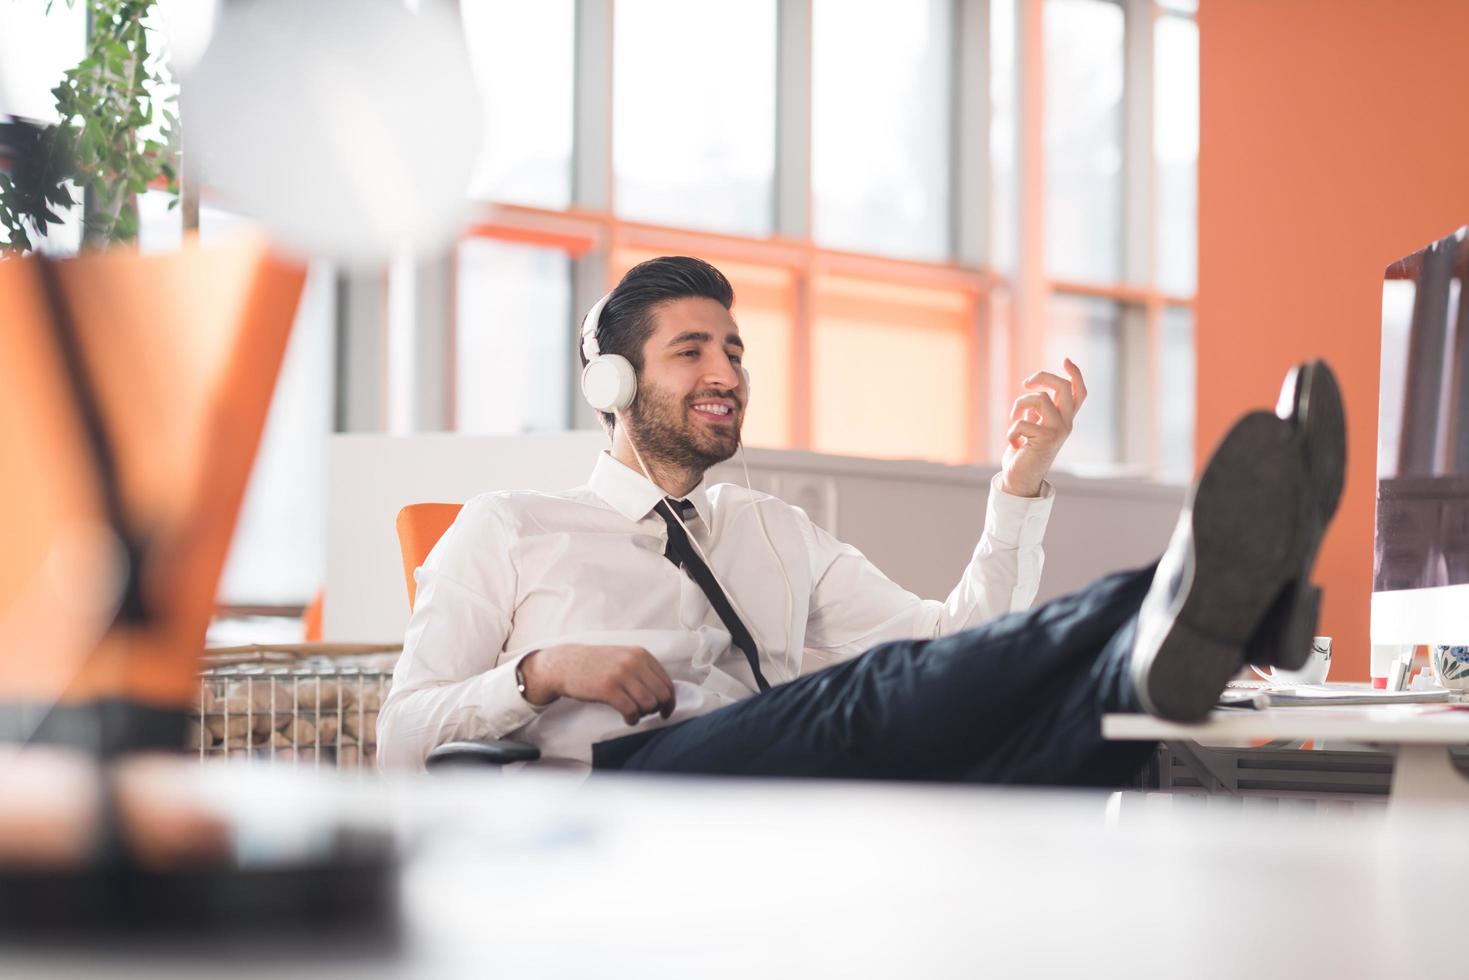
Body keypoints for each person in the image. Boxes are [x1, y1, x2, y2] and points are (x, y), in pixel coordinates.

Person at [378, 256, 1345, 785]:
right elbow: (399, 738)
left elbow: (958, 642)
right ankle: (1206, 594)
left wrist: (1020, 486)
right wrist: (539, 672)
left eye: (734, 350)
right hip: (623, 791)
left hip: (766, 769)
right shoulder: (509, 527)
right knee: (866, 696)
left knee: (1056, 743)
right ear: (613, 383)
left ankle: (1202, 615)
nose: (726, 374)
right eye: (691, 352)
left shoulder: (769, 529)